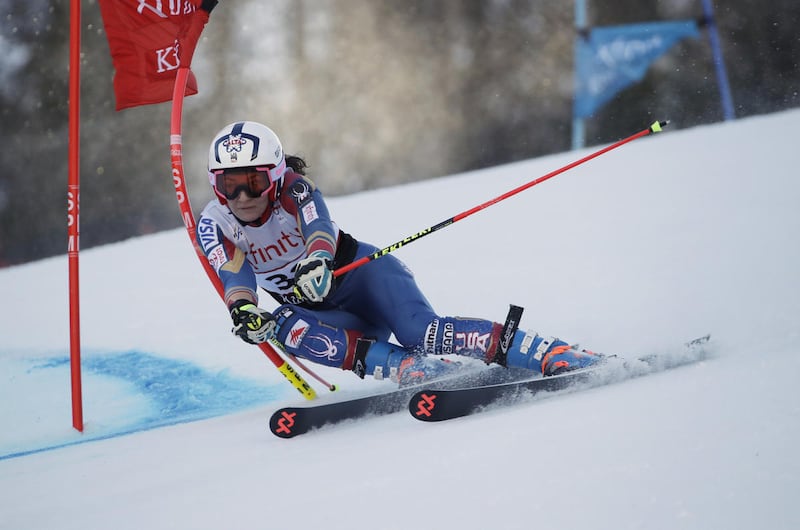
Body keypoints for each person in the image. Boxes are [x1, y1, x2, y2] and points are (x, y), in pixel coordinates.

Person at [197, 121, 602, 386]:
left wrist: (318, 259)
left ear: (275, 175)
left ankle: (548, 352)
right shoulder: (215, 223)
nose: (244, 195)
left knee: (420, 332)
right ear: (217, 185)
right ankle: (406, 367)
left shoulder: (294, 188)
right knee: (284, 325)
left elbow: (317, 227)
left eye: (254, 180)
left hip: (363, 278)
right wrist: (243, 311)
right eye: (230, 184)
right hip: (330, 317)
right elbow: (235, 275)